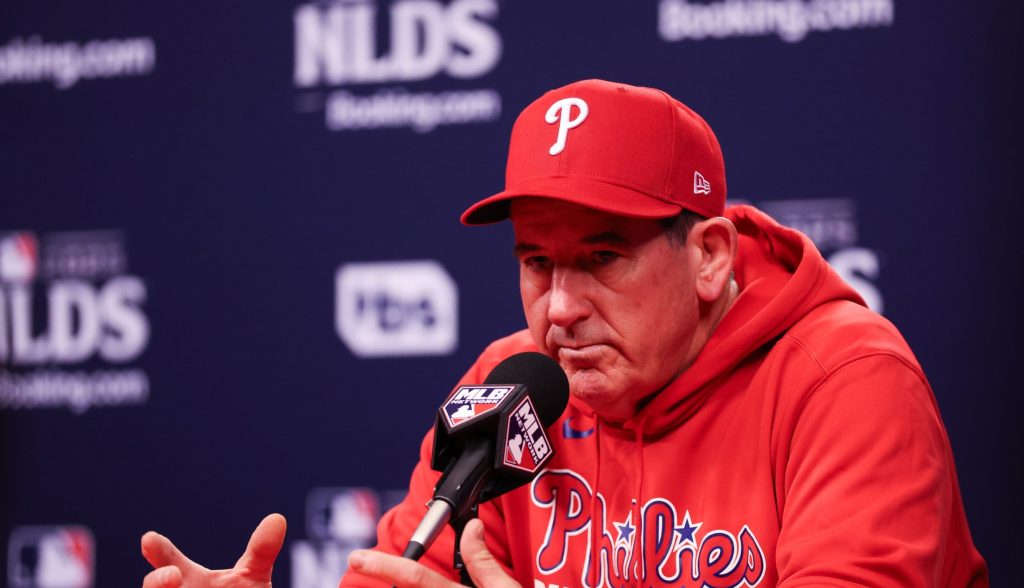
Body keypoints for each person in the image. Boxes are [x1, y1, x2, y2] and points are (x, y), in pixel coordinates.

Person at [140, 79, 988, 587]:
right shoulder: (514, 384)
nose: (559, 308)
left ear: (708, 255)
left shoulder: (844, 378)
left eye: (602, 257)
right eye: (537, 262)